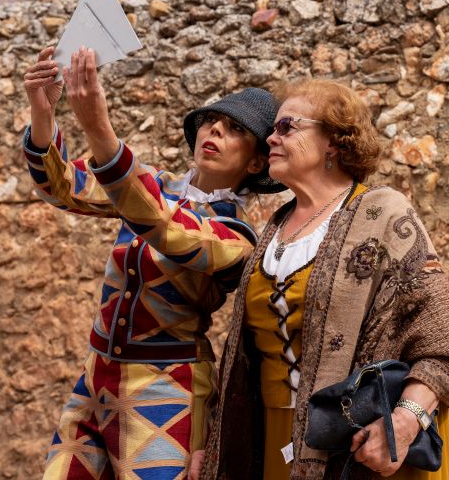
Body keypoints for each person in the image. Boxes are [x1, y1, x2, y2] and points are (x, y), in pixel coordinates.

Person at [21, 45, 283, 480]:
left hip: (168, 388)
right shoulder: (153, 185)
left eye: (235, 128)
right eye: (211, 120)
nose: (215, 129)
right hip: (95, 379)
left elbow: (164, 224)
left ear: (257, 161)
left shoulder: (237, 237)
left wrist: (98, 127)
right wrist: (43, 112)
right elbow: (62, 186)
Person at [194, 79, 449, 480]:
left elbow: (440, 350)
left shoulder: (384, 213)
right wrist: (213, 441)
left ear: (333, 143)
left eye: (287, 127)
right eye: (273, 129)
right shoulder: (274, 228)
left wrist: (406, 422)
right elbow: (243, 360)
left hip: (370, 442)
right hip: (274, 437)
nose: (270, 137)